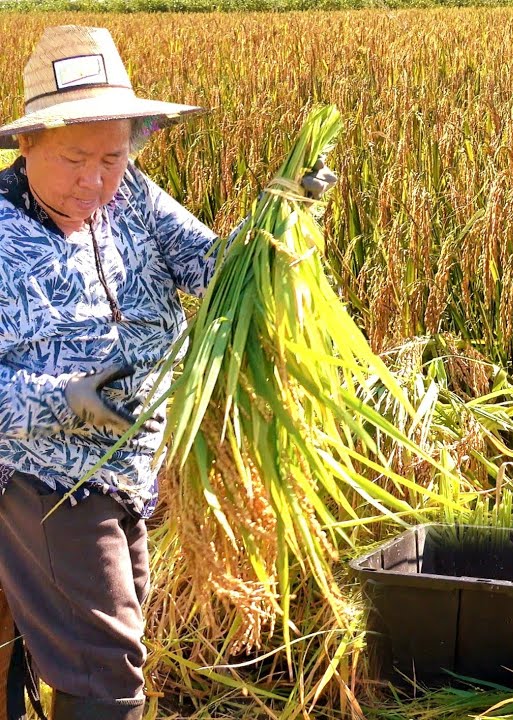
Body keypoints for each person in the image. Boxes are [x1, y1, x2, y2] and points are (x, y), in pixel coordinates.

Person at [0, 26, 335, 720]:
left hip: (133, 470)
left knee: (116, 637)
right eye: (73, 158)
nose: (94, 180)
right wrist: (75, 401)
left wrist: (286, 219)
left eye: (113, 157)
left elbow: (218, 271)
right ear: (26, 143)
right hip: (50, 479)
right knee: (105, 665)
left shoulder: (136, 200)